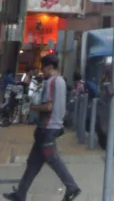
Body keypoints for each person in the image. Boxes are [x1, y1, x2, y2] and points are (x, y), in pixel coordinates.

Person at [3, 54, 80, 201]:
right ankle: (20, 193)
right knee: (33, 162)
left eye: (43, 67)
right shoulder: (61, 80)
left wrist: (32, 107)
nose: (42, 71)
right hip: (52, 126)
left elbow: (49, 106)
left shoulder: (51, 82)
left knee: (53, 159)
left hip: (47, 127)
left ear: (49, 67)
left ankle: (72, 187)